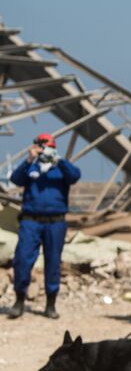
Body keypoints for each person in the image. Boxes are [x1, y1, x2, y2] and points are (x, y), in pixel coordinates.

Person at [6, 133, 80, 319]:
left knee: (53, 262)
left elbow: (75, 176)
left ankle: (50, 304)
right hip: (31, 221)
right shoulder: (31, 167)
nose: (44, 151)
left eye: (47, 147)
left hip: (55, 223)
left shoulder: (61, 168)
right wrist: (29, 159)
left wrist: (59, 160)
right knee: (22, 259)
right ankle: (19, 300)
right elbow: (15, 179)